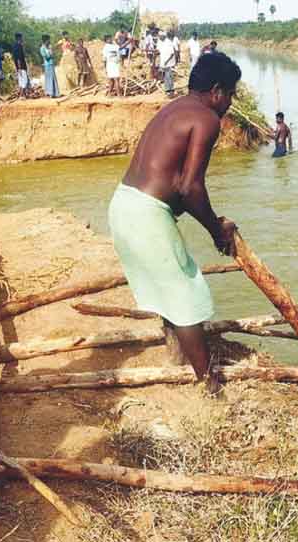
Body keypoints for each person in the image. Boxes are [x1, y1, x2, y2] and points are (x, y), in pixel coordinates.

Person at [107, 53, 242, 393]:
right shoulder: (207, 119)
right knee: (186, 293)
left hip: (124, 203)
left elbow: (178, 186)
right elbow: (190, 187)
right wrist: (217, 230)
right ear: (216, 91)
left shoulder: (175, 107)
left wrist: (212, 224)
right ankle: (208, 384)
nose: (230, 103)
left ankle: (179, 357)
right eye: (231, 94)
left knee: (168, 288)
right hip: (145, 212)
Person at [157, 31, 177, 97]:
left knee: (169, 76)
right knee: (165, 77)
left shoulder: (168, 42)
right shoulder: (160, 42)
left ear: (163, 36)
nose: (159, 38)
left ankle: (171, 91)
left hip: (168, 63)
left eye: (160, 36)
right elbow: (159, 51)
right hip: (163, 63)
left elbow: (172, 54)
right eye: (159, 36)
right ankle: (167, 90)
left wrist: (167, 61)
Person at [12, 33, 30, 98]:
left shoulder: (14, 46)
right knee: (24, 81)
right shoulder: (19, 46)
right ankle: (21, 95)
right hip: (21, 66)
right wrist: (19, 67)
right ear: (19, 38)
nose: (22, 39)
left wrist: (17, 67)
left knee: (21, 81)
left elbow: (14, 58)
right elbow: (19, 58)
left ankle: (23, 95)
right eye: (21, 38)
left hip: (18, 66)